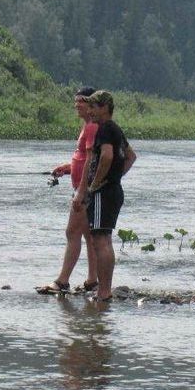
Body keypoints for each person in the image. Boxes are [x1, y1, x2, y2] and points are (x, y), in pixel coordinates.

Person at [72, 90, 136, 303]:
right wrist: (116, 177)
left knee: (100, 240)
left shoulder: (105, 129)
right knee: (103, 238)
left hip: (103, 193)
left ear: (104, 108)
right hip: (113, 190)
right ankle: (104, 290)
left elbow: (107, 156)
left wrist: (96, 184)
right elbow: (130, 156)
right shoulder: (115, 128)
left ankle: (104, 291)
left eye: (93, 107)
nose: (90, 111)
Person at [37, 86, 99, 296]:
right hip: (85, 188)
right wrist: (68, 168)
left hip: (84, 191)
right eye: (75, 102)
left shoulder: (91, 127)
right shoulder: (89, 126)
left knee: (72, 232)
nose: (76, 106)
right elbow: (84, 160)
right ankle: (92, 280)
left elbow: (92, 161)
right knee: (89, 236)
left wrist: (81, 192)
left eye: (80, 102)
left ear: (91, 105)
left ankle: (62, 281)